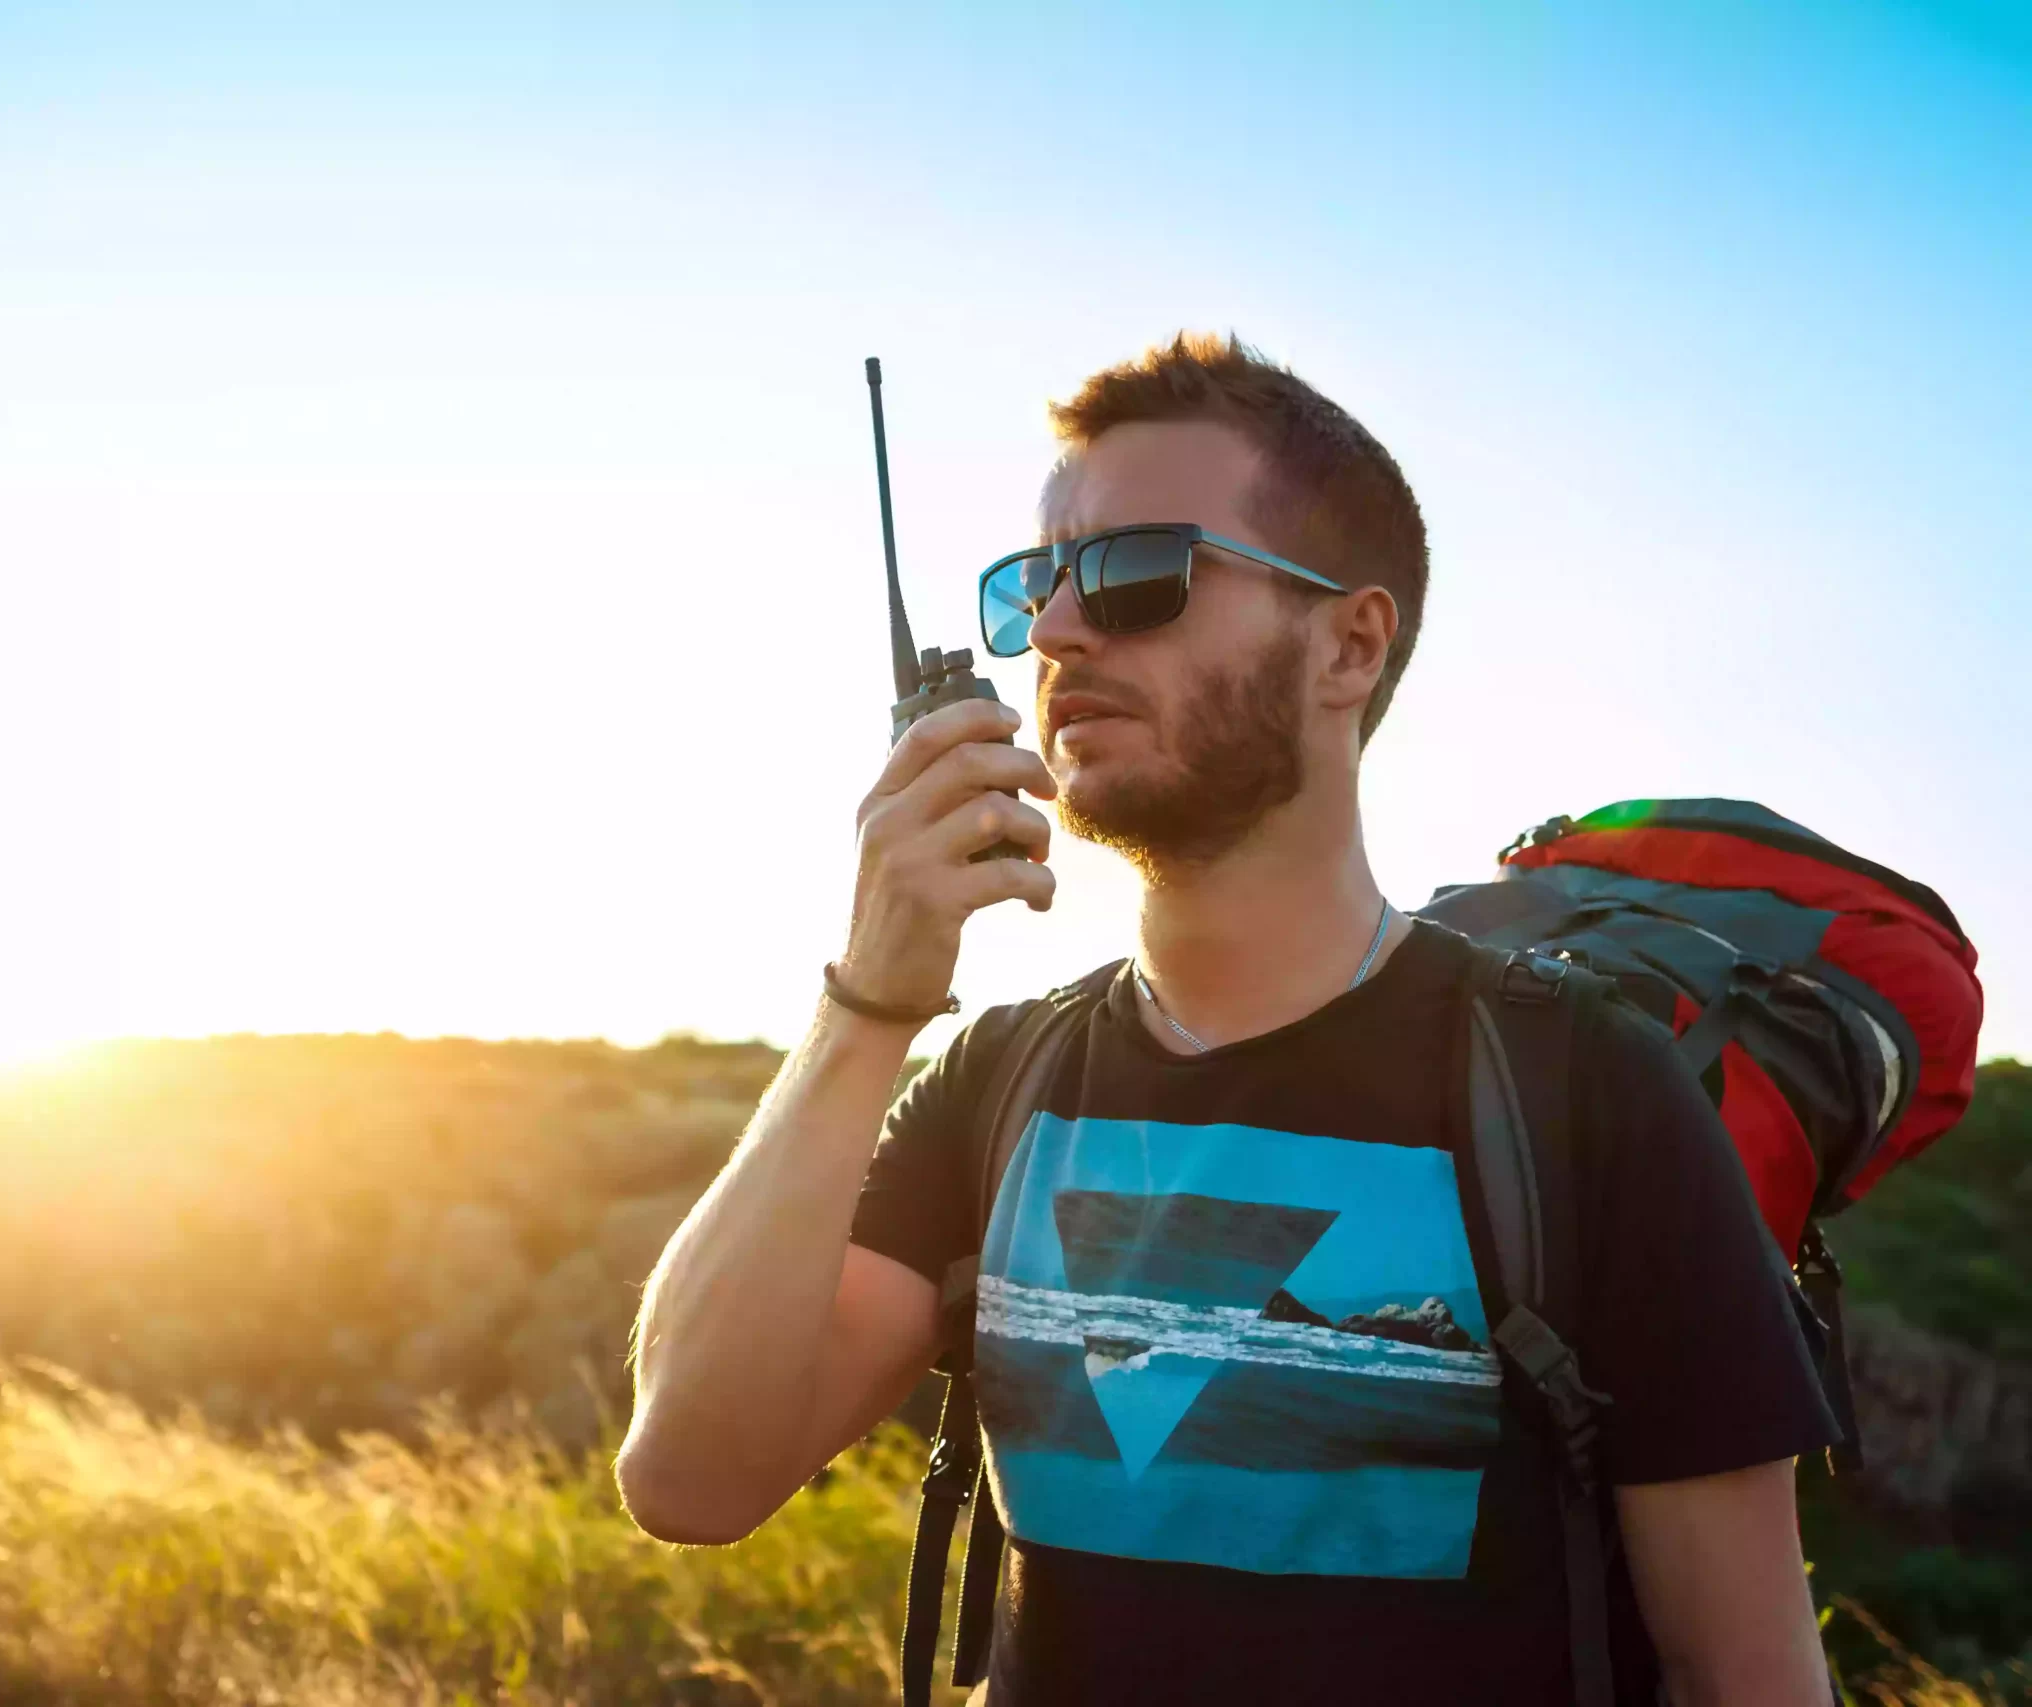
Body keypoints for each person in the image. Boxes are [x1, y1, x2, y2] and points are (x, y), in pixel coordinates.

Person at [615, 332, 1841, 1705]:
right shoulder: (998, 1080)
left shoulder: (1576, 1086)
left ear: (1349, 644)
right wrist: (868, 1005)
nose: (1064, 632)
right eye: (1039, 584)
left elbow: (1746, 1674)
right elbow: (690, 1476)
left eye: (1142, 574)